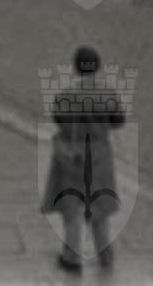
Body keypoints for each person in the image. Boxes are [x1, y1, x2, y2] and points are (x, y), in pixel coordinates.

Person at [41, 44, 125, 272]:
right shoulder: (108, 95)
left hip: (72, 153)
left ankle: (71, 257)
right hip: (99, 154)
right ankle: (105, 255)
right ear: (97, 67)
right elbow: (118, 121)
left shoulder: (65, 96)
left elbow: (58, 120)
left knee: (72, 207)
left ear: (76, 67)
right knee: (100, 207)